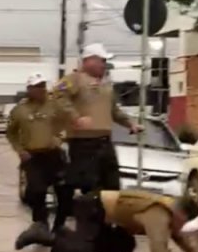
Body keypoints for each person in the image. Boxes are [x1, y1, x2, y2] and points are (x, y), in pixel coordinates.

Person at [19, 189, 198, 252]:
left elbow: (179, 237)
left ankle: (70, 238)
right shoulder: (158, 215)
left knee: (122, 247)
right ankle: (47, 235)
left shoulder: (170, 210)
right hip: (92, 206)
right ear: (180, 215)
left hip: (107, 216)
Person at [52, 43, 142, 193]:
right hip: (83, 143)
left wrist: (130, 124)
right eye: (102, 61)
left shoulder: (105, 84)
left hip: (105, 141)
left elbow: (113, 110)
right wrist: (76, 117)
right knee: (89, 186)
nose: (104, 65)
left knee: (111, 185)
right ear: (90, 60)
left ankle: (106, 214)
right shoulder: (74, 79)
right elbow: (57, 96)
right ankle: (87, 213)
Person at [7, 73, 73, 250]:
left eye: (43, 86)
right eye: (37, 86)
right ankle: (41, 224)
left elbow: (67, 124)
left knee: (65, 192)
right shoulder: (19, 110)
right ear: (29, 89)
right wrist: (20, 150)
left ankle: (59, 226)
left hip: (54, 155)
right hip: (32, 157)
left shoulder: (55, 106)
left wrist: (59, 139)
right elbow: (11, 132)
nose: (41, 89)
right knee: (35, 191)